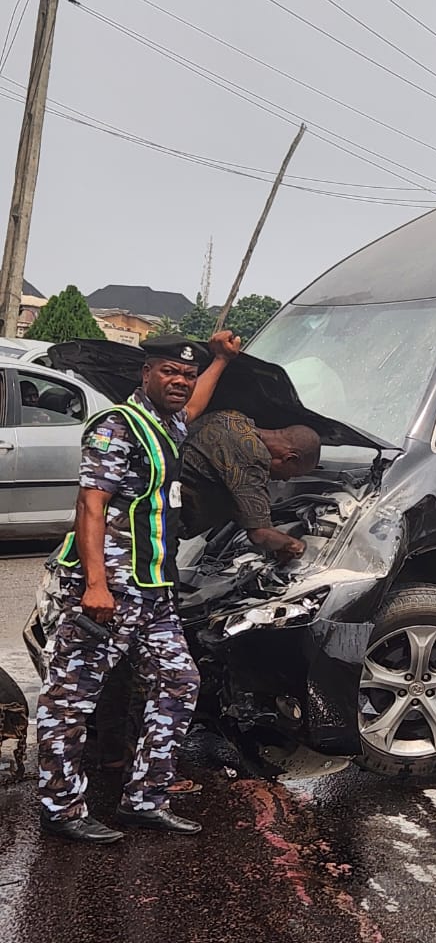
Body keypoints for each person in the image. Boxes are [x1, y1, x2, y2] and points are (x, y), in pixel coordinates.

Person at [34, 332, 240, 845]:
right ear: (144, 373)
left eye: (186, 375)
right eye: (170, 371)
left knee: (179, 682)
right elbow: (90, 506)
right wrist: (96, 586)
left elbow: (193, 406)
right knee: (70, 699)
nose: (180, 382)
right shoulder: (116, 427)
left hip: (153, 590)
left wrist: (218, 361)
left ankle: (145, 799)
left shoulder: (166, 423)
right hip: (107, 590)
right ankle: (60, 806)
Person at [180, 409, 321, 560]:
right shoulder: (253, 459)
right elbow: (260, 534)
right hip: (158, 524)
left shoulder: (231, 418)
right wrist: (295, 545)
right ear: (289, 458)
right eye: (291, 474)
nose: (285, 480)